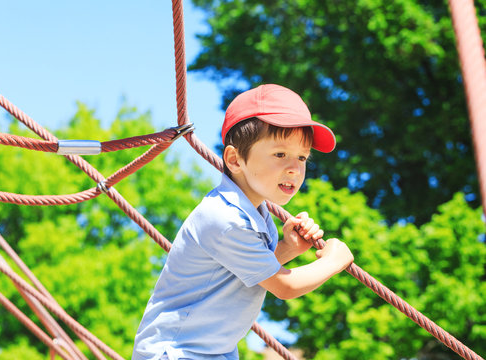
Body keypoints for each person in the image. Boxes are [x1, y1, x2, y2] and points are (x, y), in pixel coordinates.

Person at [132, 84, 354, 360]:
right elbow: (284, 287)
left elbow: (246, 273)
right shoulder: (225, 217)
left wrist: (288, 248)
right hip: (177, 352)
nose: (294, 168)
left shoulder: (255, 214)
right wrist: (333, 261)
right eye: (280, 154)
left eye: (302, 157)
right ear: (235, 159)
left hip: (213, 352)